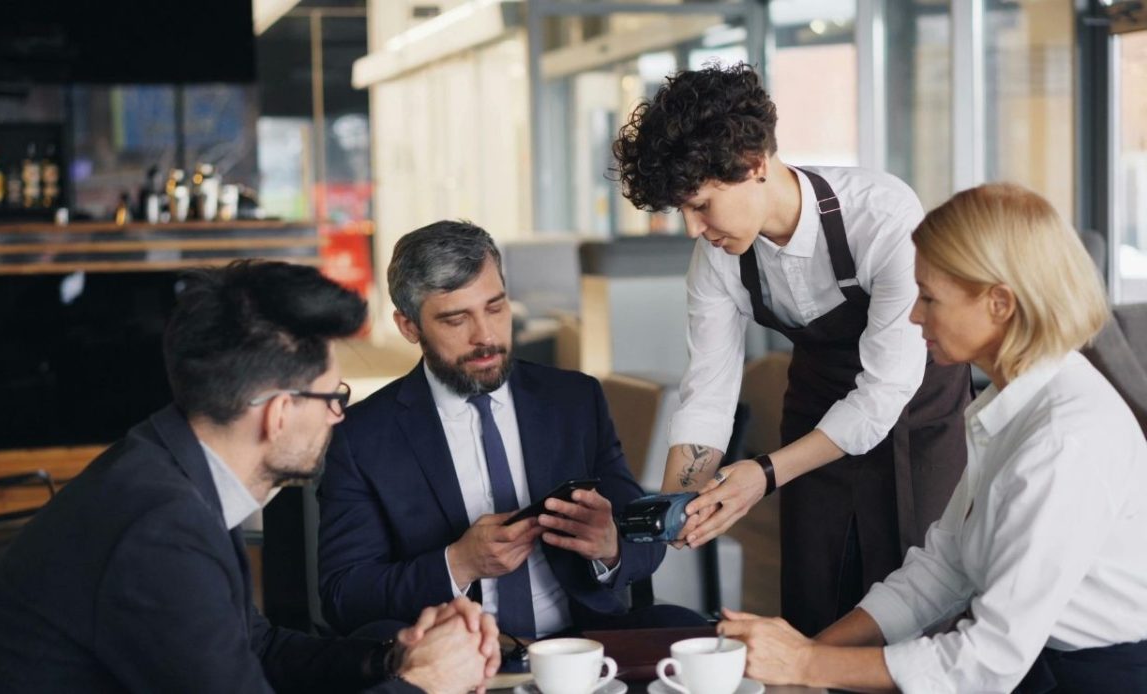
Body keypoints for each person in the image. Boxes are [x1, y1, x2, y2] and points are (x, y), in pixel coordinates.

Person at [0, 260, 500, 694]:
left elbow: (251, 646)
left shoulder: (172, 462)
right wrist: (423, 685)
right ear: (278, 412)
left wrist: (392, 657)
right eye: (334, 397)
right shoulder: (159, 530)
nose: (339, 415)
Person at [717, 183, 1147, 692]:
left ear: (999, 303)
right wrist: (808, 653)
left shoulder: (1064, 438)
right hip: (1039, 665)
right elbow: (943, 569)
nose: (914, 315)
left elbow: (987, 659)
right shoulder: (1009, 405)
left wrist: (807, 666)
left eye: (929, 297)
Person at [611, 62, 972, 636]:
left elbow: (882, 395)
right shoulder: (718, 258)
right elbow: (708, 392)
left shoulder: (881, 218)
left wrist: (761, 474)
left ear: (755, 164)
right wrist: (680, 505)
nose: (692, 229)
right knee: (815, 597)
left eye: (701, 204)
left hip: (913, 416)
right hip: (816, 412)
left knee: (917, 604)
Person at [318, 221, 705, 644]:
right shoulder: (362, 437)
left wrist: (610, 543)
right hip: (455, 656)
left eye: (496, 307)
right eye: (455, 319)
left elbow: (643, 535)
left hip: (583, 643)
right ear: (409, 327)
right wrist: (458, 564)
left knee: (696, 636)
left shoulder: (574, 400)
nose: (485, 336)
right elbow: (345, 596)